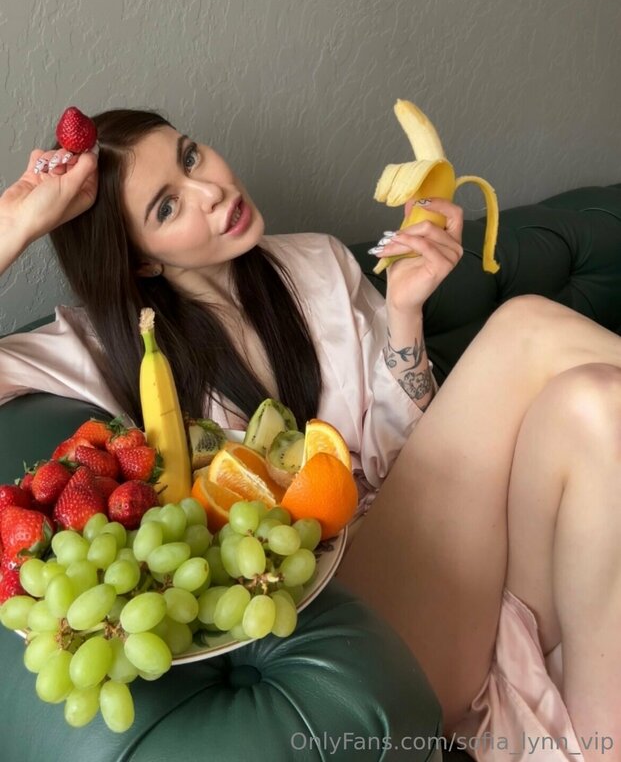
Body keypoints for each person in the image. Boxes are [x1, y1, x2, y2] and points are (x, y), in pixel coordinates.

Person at [0, 108, 620, 762]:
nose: (211, 191)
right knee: (523, 326)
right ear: (142, 261)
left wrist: (404, 314)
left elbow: (410, 453)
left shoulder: (316, 263)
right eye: (167, 207)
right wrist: (17, 223)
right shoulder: (104, 349)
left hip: (450, 575)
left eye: (189, 157)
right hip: (351, 634)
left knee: (593, 400)